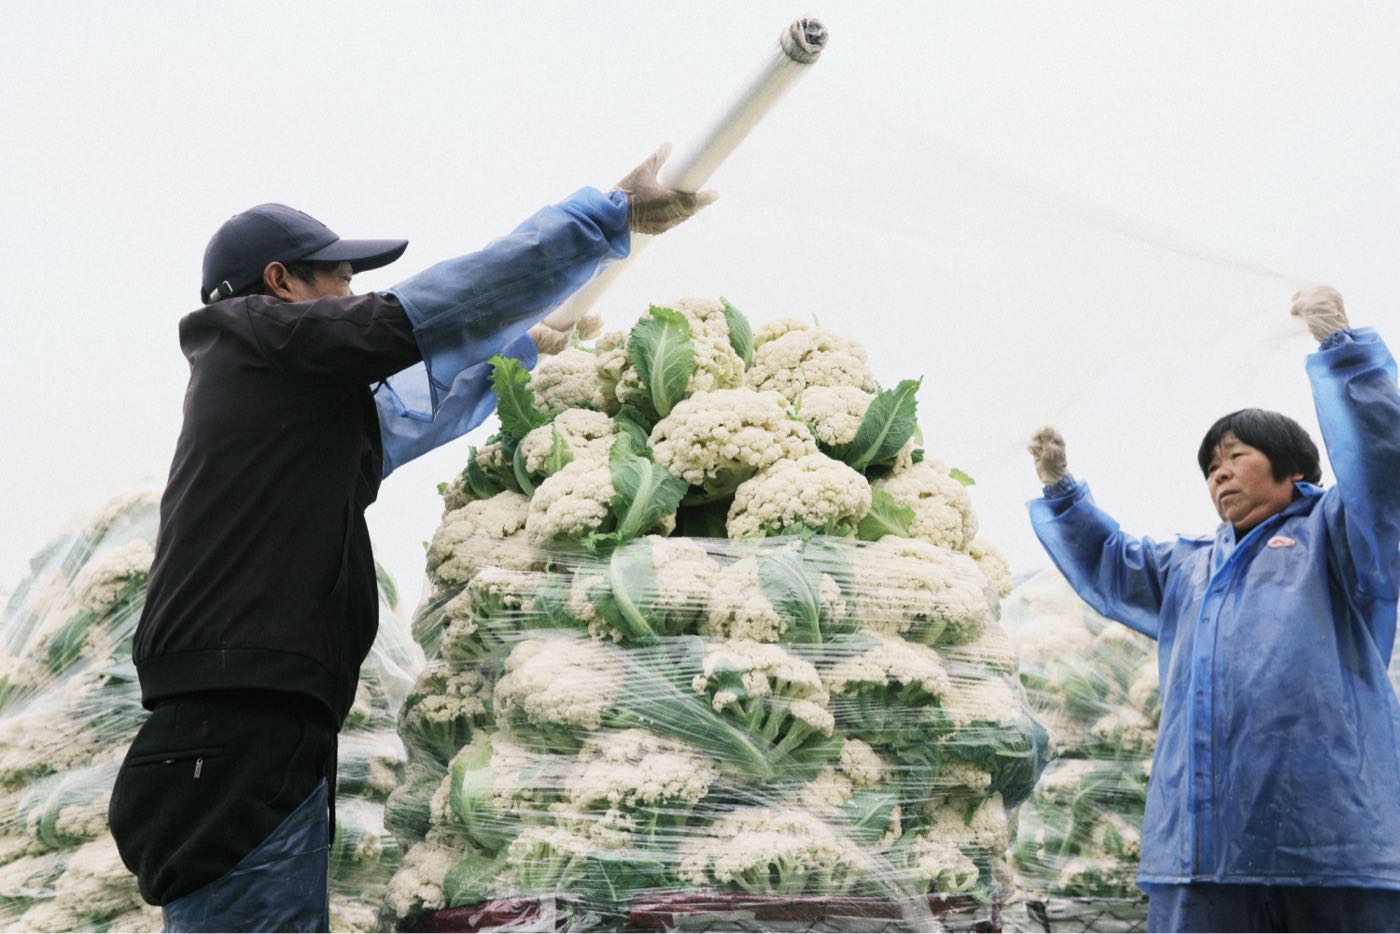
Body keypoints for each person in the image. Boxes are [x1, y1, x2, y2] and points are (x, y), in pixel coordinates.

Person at [107, 146, 715, 933]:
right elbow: (429, 310)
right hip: (231, 730)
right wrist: (605, 218)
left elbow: (403, 416)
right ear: (280, 283)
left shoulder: (283, 404)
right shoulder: (253, 337)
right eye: (339, 280)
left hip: (254, 728)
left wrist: (522, 351)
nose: (353, 294)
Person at [1024, 286, 1400, 933]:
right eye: (1210, 466)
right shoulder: (1188, 565)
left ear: (1292, 470)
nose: (1219, 474)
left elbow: (1380, 467)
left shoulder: (1338, 534)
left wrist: (1343, 352)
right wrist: (1060, 491)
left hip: (1333, 846)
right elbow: (1109, 560)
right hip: (1200, 854)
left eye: (1236, 456)